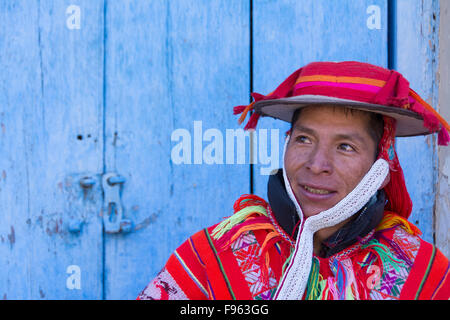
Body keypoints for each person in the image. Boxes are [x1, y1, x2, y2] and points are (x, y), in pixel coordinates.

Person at [138, 61, 450, 300]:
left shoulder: (421, 273)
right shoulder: (213, 256)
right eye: (303, 139)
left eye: (345, 147)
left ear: (381, 166)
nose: (317, 165)